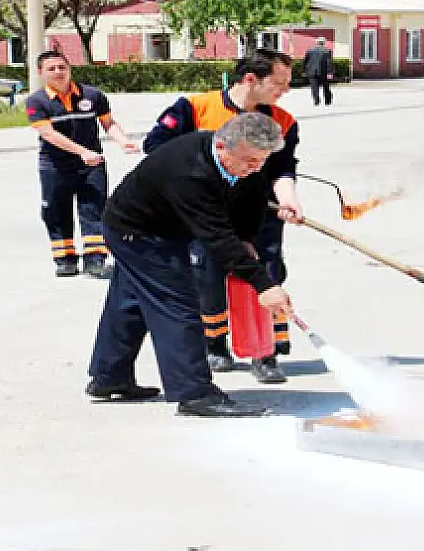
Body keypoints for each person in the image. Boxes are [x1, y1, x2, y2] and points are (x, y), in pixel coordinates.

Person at [86, 112, 294, 417]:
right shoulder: (189, 171)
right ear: (222, 146)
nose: (255, 167)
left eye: (262, 160)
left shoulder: (245, 161)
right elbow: (217, 239)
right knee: (177, 304)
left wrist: (247, 238)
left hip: (167, 227)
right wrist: (264, 285)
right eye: (249, 160)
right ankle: (194, 393)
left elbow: (253, 196)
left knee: (130, 300)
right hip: (136, 231)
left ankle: (109, 376)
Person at [142, 48, 302, 384]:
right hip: (207, 211)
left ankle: (265, 352)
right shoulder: (195, 108)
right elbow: (157, 148)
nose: (286, 90)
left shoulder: (283, 121)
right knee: (208, 277)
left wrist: (288, 200)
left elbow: (283, 168)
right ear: (250, 80)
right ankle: (215, 343)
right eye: (279, 82)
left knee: (265, 274)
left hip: (260, 214)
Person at [25, 50, 138, 278]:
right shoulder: (36, 102)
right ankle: (65, 259)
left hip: (91, 165)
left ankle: (95, 260)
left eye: (62, 67)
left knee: (94, 208)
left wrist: (123, 141)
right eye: (51, 69)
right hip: (55, 166)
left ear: (69, 68)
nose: (58, 72)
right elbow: (48, 134)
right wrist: (81, 152)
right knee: (55, 211)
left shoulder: (92, 96)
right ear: (40, 73)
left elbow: (108, 123)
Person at [303, 37, 334, 106]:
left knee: (314, 87)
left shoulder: (310, 50)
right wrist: (329, 72)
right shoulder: (327, 51)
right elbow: (328, 62)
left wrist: (304, 71)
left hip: (312, 72)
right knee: (326, 86)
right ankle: (327, 101)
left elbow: (305, 61)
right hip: (323, 72)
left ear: (316, 43)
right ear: (323, 43)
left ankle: (316, 100)